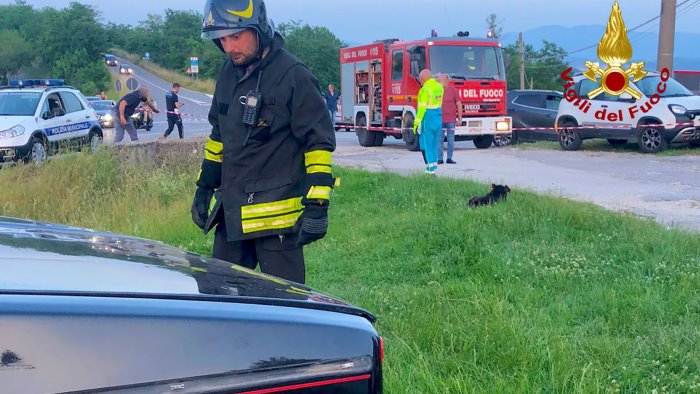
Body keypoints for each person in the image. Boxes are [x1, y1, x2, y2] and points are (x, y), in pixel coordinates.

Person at [191, 0, 337, 284]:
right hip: (232, 217)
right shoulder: (227, 73)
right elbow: (218, 137)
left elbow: (318, 142)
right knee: (218, 300)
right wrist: (204, 186)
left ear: (259, 30)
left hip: (278, 224)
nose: (229, 47)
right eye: (222, 39)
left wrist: (318, 203)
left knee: (286, 311)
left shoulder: (293, 75)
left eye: (236, 36)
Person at [413, 69, 443, 175]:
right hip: (438, 118)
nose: (420, 82)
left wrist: (416, 123)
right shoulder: (439, 87)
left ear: (423, 79)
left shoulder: (424, 90)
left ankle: (430, 171)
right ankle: (433, 166)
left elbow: (421, 109)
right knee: (434, 144)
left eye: (420, 80)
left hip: (428, 119)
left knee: (427, 144)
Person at [437, 73, 462, 164]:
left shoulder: (453, 90)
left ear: (447, 80)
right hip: (440, 119)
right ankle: (440, 158)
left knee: (451, 140)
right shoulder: (438, 91)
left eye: (441, 80)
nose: (440, 81)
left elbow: (459, 104)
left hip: (451, 120)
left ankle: (449, 158)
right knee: (439, 140)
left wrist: (460, 118)